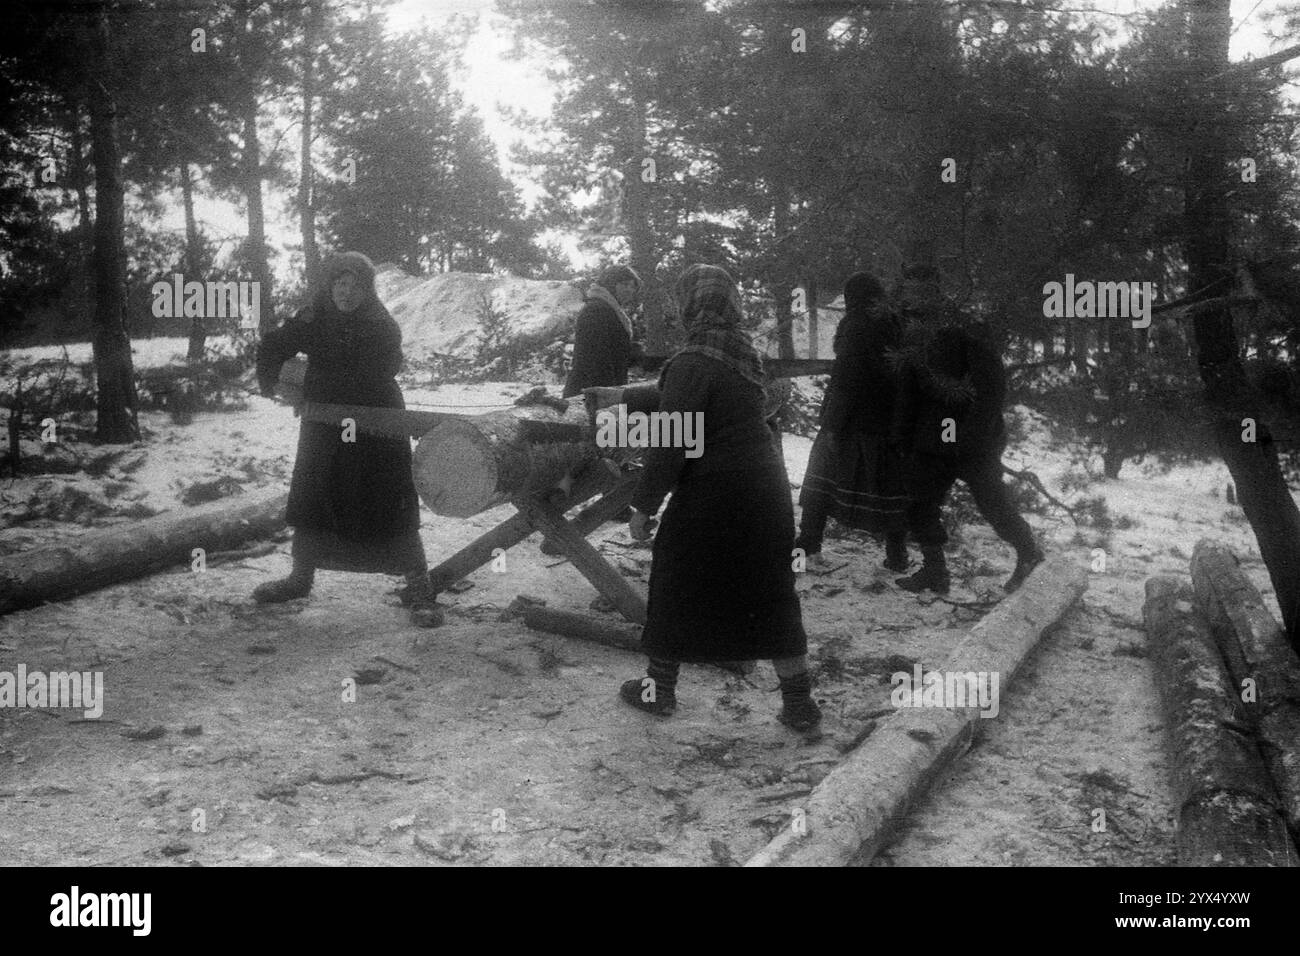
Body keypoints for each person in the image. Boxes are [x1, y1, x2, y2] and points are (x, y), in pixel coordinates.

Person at [592, 264, 821, 732]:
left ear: (690, 304)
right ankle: (798, 704)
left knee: (676, 579)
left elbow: (674, 437)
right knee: (771, 592)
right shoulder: (739, 352)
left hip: (716, 493)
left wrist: (643, 504)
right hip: (766, 492)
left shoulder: (694, 358)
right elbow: (682, 393)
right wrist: (621, 393)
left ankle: (659, 691)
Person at [254, 251, 443, 626]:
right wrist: (275, 380)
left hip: (375, 424)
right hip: (325, 425)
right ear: (329, 286)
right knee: (315, 494)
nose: (346, 292)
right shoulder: (316, 316)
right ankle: (300, 578)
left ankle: (419, 586)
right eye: (339, 283)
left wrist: (307, 383)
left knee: (388, 499)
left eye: (355, 285)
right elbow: (273, 345)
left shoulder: (381, 325)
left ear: (367, 289)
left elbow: (371, 377)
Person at [891, 307, 1045, 595]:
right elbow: (908, 391)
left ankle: (1029, 554)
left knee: (992, 503)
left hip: (973, 441)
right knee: (921, 503)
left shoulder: (969, 331)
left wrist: (969, 440)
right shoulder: (917, 336)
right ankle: (935, 570)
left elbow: (990, 391)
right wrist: (902, 435)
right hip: (932, 437)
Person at [795, 271, 911, 571]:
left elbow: (847, 380)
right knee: (889, 489)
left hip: (852, 421)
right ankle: (898, 556)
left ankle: (807, 546)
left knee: (819, 482)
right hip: (885, 422)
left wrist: (832, 426)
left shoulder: (856, 327)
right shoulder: (895, 324)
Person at [561, 264, 644, 398]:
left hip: (602, 390)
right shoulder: (596, 311)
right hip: (592, 393)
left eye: (632, 286)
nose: (629, 289)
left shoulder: (612, 311)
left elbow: (615, 352)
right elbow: (597, 359)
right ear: (610, 284)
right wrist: (609, 396)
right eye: (624, 284)